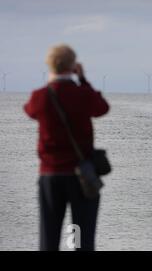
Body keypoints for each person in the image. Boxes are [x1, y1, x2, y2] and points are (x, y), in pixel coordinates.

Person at [24, 44, 109, 251]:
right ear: (73, 67)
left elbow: (30, 110)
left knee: (49, 239)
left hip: (50, 177)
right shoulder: (82, 95)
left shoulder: (41, 96)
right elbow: (102, 108)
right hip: (81, 178)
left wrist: (52, 81)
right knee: (81, 239)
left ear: (50, 66)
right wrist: (83, 80)